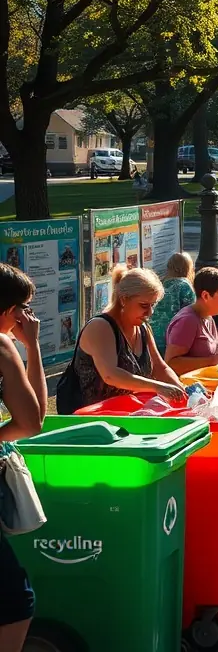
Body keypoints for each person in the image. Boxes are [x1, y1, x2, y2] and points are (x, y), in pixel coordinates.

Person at [0, 264, 47, 650]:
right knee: (16, 601)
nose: (26, 318)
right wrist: (30, 346)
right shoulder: (2, 345)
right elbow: (32, 420)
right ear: (8, 309)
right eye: (24, 308)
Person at [65, 267, 186, 410]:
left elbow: (160, 368)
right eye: (144, 305)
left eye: (153, 305)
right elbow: (110, 375)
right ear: (123, 299)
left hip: (127, 415)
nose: (150, 312)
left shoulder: (143, 329)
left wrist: (181, 390)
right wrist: (157, 387)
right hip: (91, 419)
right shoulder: (101, 327)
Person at [164, 268, 218, 374]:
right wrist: (211, 361)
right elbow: (171, 364)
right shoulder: (187, 320)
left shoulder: (209, 317)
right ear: (205, 296)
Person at [149, 252, 195, 352]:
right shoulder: (184, 286)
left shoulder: (162, 284)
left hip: (153, 336)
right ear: (188, 268)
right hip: (172, 338)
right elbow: (192, 314)